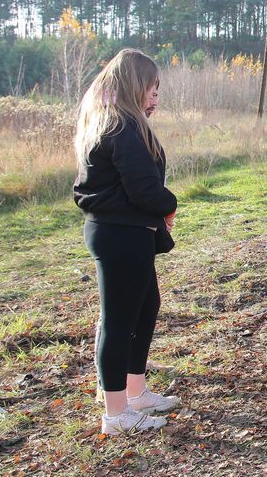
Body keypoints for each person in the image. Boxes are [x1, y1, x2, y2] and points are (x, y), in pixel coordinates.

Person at [73, 49, 181, 435]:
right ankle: (116, 413)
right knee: (118, 321)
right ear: (135, 86)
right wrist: (169, 204)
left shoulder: (116, 122)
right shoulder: (120, 126)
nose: (156, 97)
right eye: (152, 89)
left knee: (145, 306)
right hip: (120, 234)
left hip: (127, 232)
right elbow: (145, 191)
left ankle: (136, 392)